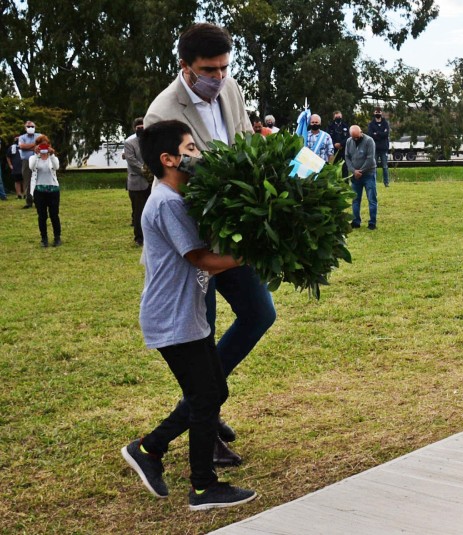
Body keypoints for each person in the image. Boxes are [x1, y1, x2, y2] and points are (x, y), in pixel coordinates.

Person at [145, 22, 276, 466]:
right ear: (185, 67)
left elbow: (242, 145)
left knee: (260, 313)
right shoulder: (162, 111)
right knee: (202, 335)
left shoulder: (231, 88)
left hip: (235, 234)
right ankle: (205, 417)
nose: (219, 77)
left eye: (224, 67)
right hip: (198, 242)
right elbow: (174, 185)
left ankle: (196, 409)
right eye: (208, 69)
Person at [121, 120, 256, 511]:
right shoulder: (166, 203)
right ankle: (202, 488)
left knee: (214, 392)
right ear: (169, 159)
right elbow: (201, 259)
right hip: (172, 320)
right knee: (205, 398)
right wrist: (254, 254)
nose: (198, 153)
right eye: (191, 147)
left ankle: (149, 448)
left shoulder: (179, 199)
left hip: (187, 316)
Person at [28, 137, 61, 247]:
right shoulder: (33, 158)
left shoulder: (52, 158)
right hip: (39, 190)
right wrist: (36, 154)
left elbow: (56, 167)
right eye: (41, 145)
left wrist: (52, 155)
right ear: (37, 146)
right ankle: (44, 239)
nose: (43, 148)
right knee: (42, 216)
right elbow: (31, 167)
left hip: (53, 189)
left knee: (54, 215)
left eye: (46, 145)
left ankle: (57, 238)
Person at [345, 125, 377, 230]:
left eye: (357, 137)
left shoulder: (369, 141)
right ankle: (356, 221)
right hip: (355, 176)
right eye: (353, 137)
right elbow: (347, 157)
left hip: (368, 174)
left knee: (371, 199)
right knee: (355, 200)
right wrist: (354, 171)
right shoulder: (349, 142)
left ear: (361, 132)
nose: (355, 139)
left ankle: (372, 222)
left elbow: (370, 159)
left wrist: (361, 171)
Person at [125, 118, 151, 246]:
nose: (141, 129)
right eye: (138, 127)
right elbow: (132, 161)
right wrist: (147, 172)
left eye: (143, 126)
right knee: (138, 212)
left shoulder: (151, 139)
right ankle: (139, 238)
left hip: (152, 183)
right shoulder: (129, 143)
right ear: (134, 128)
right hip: (137, 183)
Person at [18, 120, 41, 208]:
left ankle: (39, 200)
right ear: (25, 128)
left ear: (35, 127)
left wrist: (28, 147)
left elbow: (41, 147)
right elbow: (22, 146)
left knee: (38, 180)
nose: (30, 128)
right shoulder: (22, 137)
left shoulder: (39, 136)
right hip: (26, 161)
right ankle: (29, 201)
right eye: (28, 127)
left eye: (32, 126)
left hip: (38, 160)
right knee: (27, 181)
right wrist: (34, 146)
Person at [367, 108, 390, 187]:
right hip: (374, 148)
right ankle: (374, 182)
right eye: (376, 112)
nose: (378, 113)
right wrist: (380, 134)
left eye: (379, 112)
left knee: (385, 167)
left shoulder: (385, 123)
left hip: (384, 148)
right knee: (374, 167)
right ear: (374, 113)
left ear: (381, 113)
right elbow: (370, 135)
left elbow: (386, 134)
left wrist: (377, 133)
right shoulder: (371, 124)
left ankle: (386, 182)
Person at [327, 111, 350, 175]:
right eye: (336, 117)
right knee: (332, 167)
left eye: (339, 117)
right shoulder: (330, 126)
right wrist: (334, 144)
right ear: (334, 118)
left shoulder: (345, 126)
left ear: (341, 117)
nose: (338, 118)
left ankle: (345, 182)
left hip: (343, 149)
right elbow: (328, 137)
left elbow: (348, 137)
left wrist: (341, 144)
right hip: (333, 150)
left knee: (345, 167)